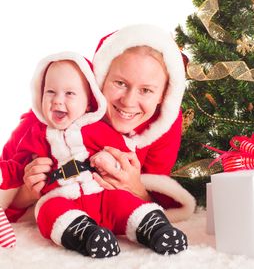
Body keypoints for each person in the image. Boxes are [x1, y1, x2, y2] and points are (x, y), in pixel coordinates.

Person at [0, 50, 188, 257]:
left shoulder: (96, 128)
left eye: (70, 94)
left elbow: (122, 151)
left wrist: (111, 161)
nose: (57, 101)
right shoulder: (34, 132)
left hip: (102, 195)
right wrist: (25, 187)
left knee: (123, 203)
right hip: (61, 195)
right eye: (50, 92)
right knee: (47, 210)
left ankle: (154, 228)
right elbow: (13, 167)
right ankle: (84, 234)